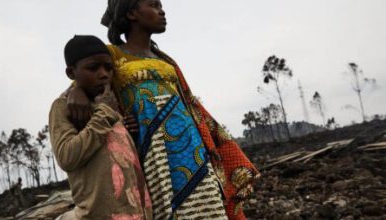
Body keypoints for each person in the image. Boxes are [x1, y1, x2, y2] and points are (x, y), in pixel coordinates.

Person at [68, 0, 261, 219]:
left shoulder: (165, 60)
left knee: (207, 204)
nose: (162, 10)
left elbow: (188, 102)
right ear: (132, 13)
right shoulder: (113, 55)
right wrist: (76, 91)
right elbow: (90, 78)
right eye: (153, 5)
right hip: (151, 148)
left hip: (192, 146)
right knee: (165, 208)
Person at [49, 35, 152, 220]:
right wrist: (105, 112)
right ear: (71, 73)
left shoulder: (111, 105)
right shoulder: (63, 106)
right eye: (93, 68)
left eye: (108, 67)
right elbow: (67, 157)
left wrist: (130, 134)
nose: (104, 74)